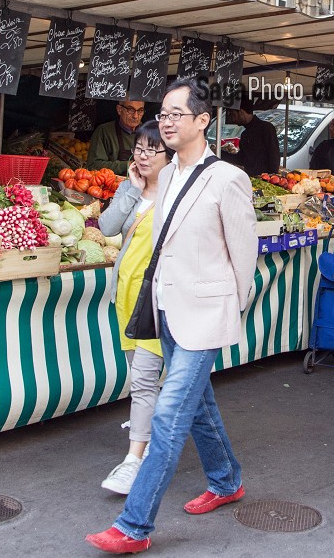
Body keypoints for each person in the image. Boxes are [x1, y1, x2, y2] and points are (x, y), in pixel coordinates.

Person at [86, 79, 258, 555]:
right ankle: (226, 481)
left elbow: (245, 258)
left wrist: (227, 309)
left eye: (174, 114)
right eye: (162, 114)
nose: (165, 122)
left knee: (168, 414)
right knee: (198, 406)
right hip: (166, 312)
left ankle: (133, 526)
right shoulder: (169, 177)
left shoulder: (228, 178)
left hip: (204, 315)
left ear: (203, 121)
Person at [96, 121, 172, 495]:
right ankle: (155, 439)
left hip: (158, 301)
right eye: (138, 150)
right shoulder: (132, 189)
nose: (141, 157)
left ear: (169, 155)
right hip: (125, 296)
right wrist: (132, 190)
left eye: (150, 151)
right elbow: (108, 226)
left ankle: (134, 461)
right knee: (145, 379)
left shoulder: (177, 193)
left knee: (143, 380)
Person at [88, 100, 148, 174]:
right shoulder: (104, 131)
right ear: (119, 110)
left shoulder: (148, 134)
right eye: (130, 110)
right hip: (112, 184)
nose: (135, 116)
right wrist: (126, 165)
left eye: (140, 111)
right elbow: (93, 166)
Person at [228, 94, 280, 176]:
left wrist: (271, 178)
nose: (232, 119)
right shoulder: (245, 134)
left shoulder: (266, 128)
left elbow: (274, 157)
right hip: (251, 179)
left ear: (241, 112)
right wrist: (219, 153)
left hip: (265, 181)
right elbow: (241, 159)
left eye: (233, 114)